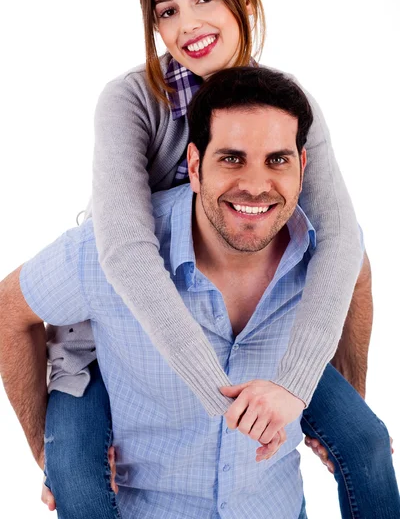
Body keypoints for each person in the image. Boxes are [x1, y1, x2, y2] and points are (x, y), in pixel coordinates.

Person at [4, 0, 399, 519]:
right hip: (120, 325)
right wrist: (227, 401)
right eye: (168, 10)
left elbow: (344, 245)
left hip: (244, 325)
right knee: (78, 485)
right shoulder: (131, 100)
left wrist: (300, 391)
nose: (188, 24)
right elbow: (125, 253)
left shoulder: (284, 106)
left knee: (365, 442)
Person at [0, 65, 345, 518]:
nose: (257, 185)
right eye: (232, 158)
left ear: (302, 166)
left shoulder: (325, 250)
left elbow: (356, 278)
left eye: (277, 160)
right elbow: (10, 308)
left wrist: (338, 397)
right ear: (195, 166)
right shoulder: (106, 252)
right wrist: (52, 455)